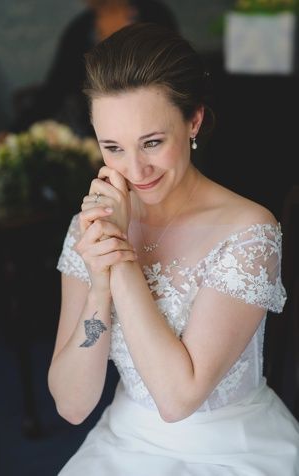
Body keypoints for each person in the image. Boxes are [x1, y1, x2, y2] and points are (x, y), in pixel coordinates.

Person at [49, 23, 299, 474]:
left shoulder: (248, 231)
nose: (135, 169)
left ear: (193, 121)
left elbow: (177, 398)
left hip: (230, 450)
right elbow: (71, 404)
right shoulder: (89, 227)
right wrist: (99, 286)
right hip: (124, 441)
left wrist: (119, 257)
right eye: (113, 147)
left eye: (152, 142)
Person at [11, 0, 177, 137]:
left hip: (155, 116)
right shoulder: (80, 30)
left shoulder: (154, 14)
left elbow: (175, 69)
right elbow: (56, 88)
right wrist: (14, 131)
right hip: (99, 128)